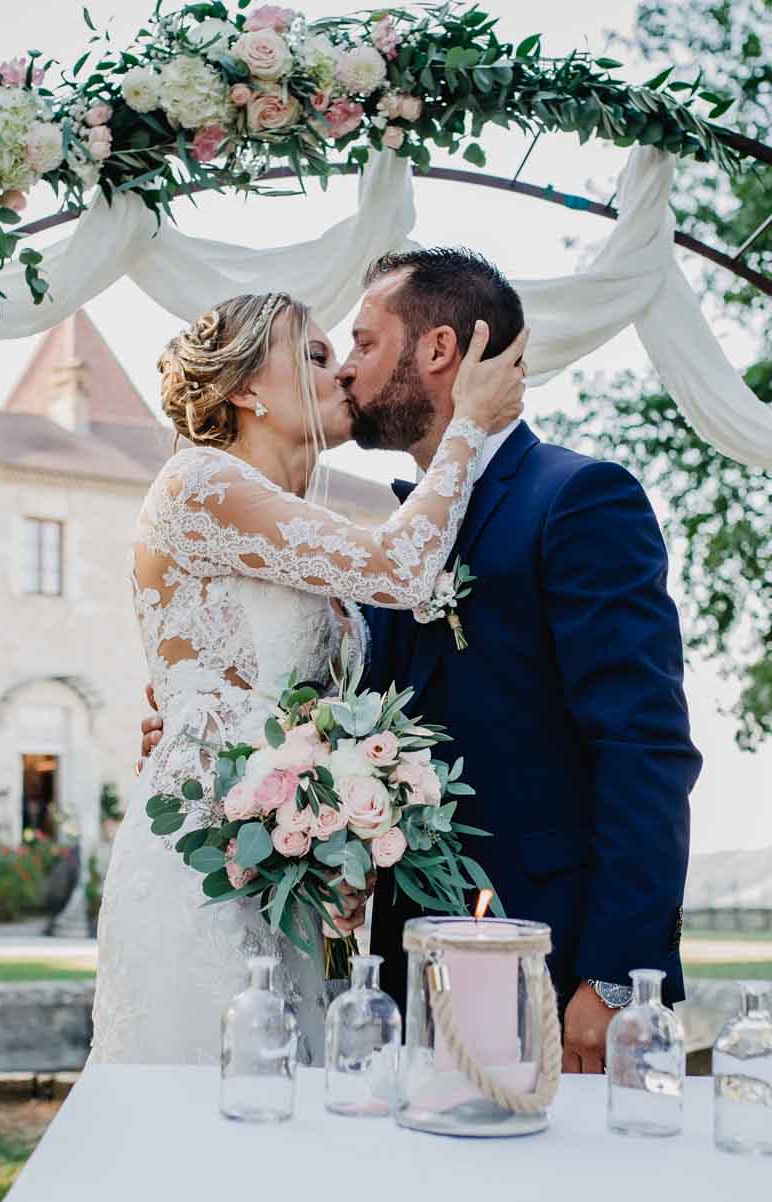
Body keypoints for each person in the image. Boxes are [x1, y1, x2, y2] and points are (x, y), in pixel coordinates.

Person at [142, 250, 701, 1074]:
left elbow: (645, 746)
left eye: (362, 345)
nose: (346, 371)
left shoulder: (578, 499)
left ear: (438, 351)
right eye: (326, 355)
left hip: (553, 961)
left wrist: (615, 976)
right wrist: (206, 719)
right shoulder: (389, 534)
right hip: (394, 961)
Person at [91, 290, 528, 1066]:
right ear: (248, 390)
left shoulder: (301, 532)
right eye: (317, 356)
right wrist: (468, 421)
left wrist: (341, 835)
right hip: (198, 874)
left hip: (283, 880)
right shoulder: (198, 483)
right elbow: (403, 566)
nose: (344, 375)